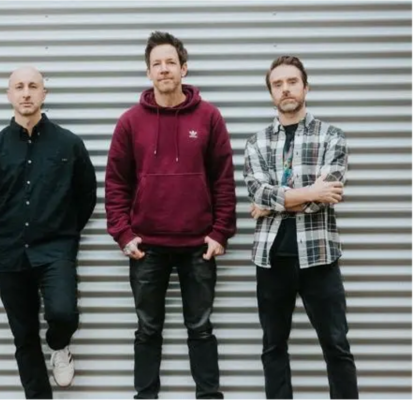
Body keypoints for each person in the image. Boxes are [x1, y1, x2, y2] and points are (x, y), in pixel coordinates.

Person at [105, 31, 237, 400]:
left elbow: (223, 179)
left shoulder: (209, 117)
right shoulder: (130, 122)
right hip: (147, 247)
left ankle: (208, 396)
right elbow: (116, 183)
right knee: (148, 329)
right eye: (157, 64)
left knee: (201, 328)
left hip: (198, 245)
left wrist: (220, 233)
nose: (164, 69)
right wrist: (123, 234)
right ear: (148, 72)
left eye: (170, 62)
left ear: (184, 68)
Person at [0, 66, 97, 400]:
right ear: (9, 95)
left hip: (56, 249)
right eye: (19, 87)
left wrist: (63, 230)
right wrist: (5, 230)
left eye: (32, 86)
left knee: (63, 313)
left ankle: (59, 343)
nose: (26, 93)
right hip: (10, 253)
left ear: (44, 93)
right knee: (24, 336)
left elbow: (86, 195)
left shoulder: (69, 144)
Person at [244, 55, 359, 400]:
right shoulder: (256, 142)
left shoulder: (332, 137)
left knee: (336, 345)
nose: (285, 89)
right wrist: (309, 192)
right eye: (277, 84)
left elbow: (329, 193)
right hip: (272, 260)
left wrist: (272, 203)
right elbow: (257, 191)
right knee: (273, 347)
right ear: (271, 93)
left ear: (306, 87)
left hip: (319, 258)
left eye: (292, 81)